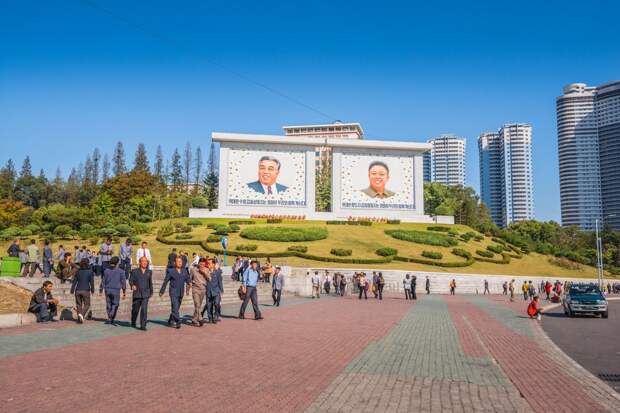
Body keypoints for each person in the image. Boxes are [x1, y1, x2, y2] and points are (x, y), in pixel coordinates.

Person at [159, 256, 190, 328]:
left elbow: (188, 279)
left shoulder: (184, 271)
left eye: (180, 262)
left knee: (176, 308)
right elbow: (165, 281)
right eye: (178, 262)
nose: (180, 263)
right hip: (173, 292)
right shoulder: (171, 271)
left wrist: (190, 283)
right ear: (175, 263)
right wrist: (162, 291)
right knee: (175, 307)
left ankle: (170, 320)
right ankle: (178, 321)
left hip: (181, 292)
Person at [99, 256, 126, 325]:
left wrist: (101, 290)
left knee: (108, 304)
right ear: (118, 263)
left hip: (107, 290)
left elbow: (103, 281)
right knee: (115, 304)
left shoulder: (106, 271)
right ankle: (112, 313)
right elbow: (123, 282)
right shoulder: (121, 271)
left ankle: (110, 318)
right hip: (116, 290)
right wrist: (124, 292)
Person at [129, 256, 153, 331]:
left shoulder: (149, 271)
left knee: (144, 309)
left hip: (146, 293)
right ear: (140, 262)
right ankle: (133, 320)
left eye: (146, 261)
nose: (145, 262)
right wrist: (132, 285)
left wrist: (151, 291)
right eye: (143, 261)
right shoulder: (134, 271)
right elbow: (131, 280)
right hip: (137, 293)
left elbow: (150, 282)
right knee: (135, 310)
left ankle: (143, 325)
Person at [70, 258, 95, 323]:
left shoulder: (78, 271)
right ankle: (82, 315)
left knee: (78, 304)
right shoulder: (90, 271)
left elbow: (74, 281)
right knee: (87, 304)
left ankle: (79, 319)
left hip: (77, 290)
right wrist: (92, 290)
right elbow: (91, 282)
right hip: (86, 290)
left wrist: (72, 290)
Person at [190, 258, 210, 327]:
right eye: (201, 264)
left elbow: (209, 279)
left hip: (203, 289)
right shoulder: (193, 269)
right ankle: (200, 318)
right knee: (197, 304)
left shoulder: (207, 270)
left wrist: (204, 272)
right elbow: (190, 279)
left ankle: (194, 320)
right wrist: (188, 288)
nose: (202, 266)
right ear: (198, 263)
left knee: (198, 306)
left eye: (203, 264)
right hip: (195, 289)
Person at [205, 258, 223, 323]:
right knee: (209, 306)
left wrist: (221, 290)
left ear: (213, 264)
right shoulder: (205, 272)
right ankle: (210, 318)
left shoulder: (217, 272)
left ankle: (216, 316)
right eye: (207, 263)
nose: (208, 265)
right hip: (208, 291)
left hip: (216, 291)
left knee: (217, 303)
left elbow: (220, 281)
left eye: (209, 263)